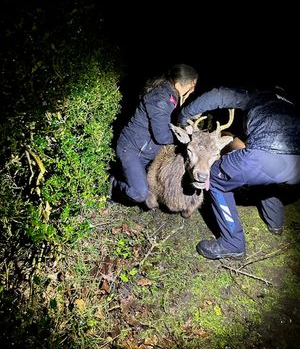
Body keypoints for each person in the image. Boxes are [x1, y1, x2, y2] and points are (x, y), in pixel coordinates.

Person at [178, 85, 300, 260]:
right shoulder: (291, 101)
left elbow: (218, 95)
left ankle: (232, 243)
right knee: (265, 177)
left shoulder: (256, 94)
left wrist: (183, 116)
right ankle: (276, 222)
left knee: (216, 178)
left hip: (266, 157)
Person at [110, 63, 199, 205]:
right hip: (131, 149)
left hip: (145, 152)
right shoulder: (161, 99)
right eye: (192, 85)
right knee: (140, 194)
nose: (193, 90)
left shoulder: (171, 96)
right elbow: (162, 136)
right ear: (179, 83)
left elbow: (167, 122)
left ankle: (120, 181)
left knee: (144, 187)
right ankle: (113, 183)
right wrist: (183, 136)